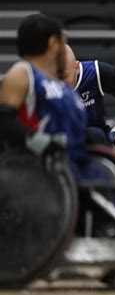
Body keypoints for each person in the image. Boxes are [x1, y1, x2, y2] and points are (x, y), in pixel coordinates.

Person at [0, 14, 90, 179]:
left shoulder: (62, 85)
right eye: (64, 44)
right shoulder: (23, 72)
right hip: (35, 172)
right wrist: (42, 143)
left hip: (72, 167)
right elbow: (4, 121)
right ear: (53, 43)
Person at [62, 44, 115, 150]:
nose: (58, 83)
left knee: (94, 134)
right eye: (52, 76)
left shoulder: (96, 73)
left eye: (63, 76)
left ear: (76, 67)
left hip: (95, 140)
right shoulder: (41, 83)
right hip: (61, 140)